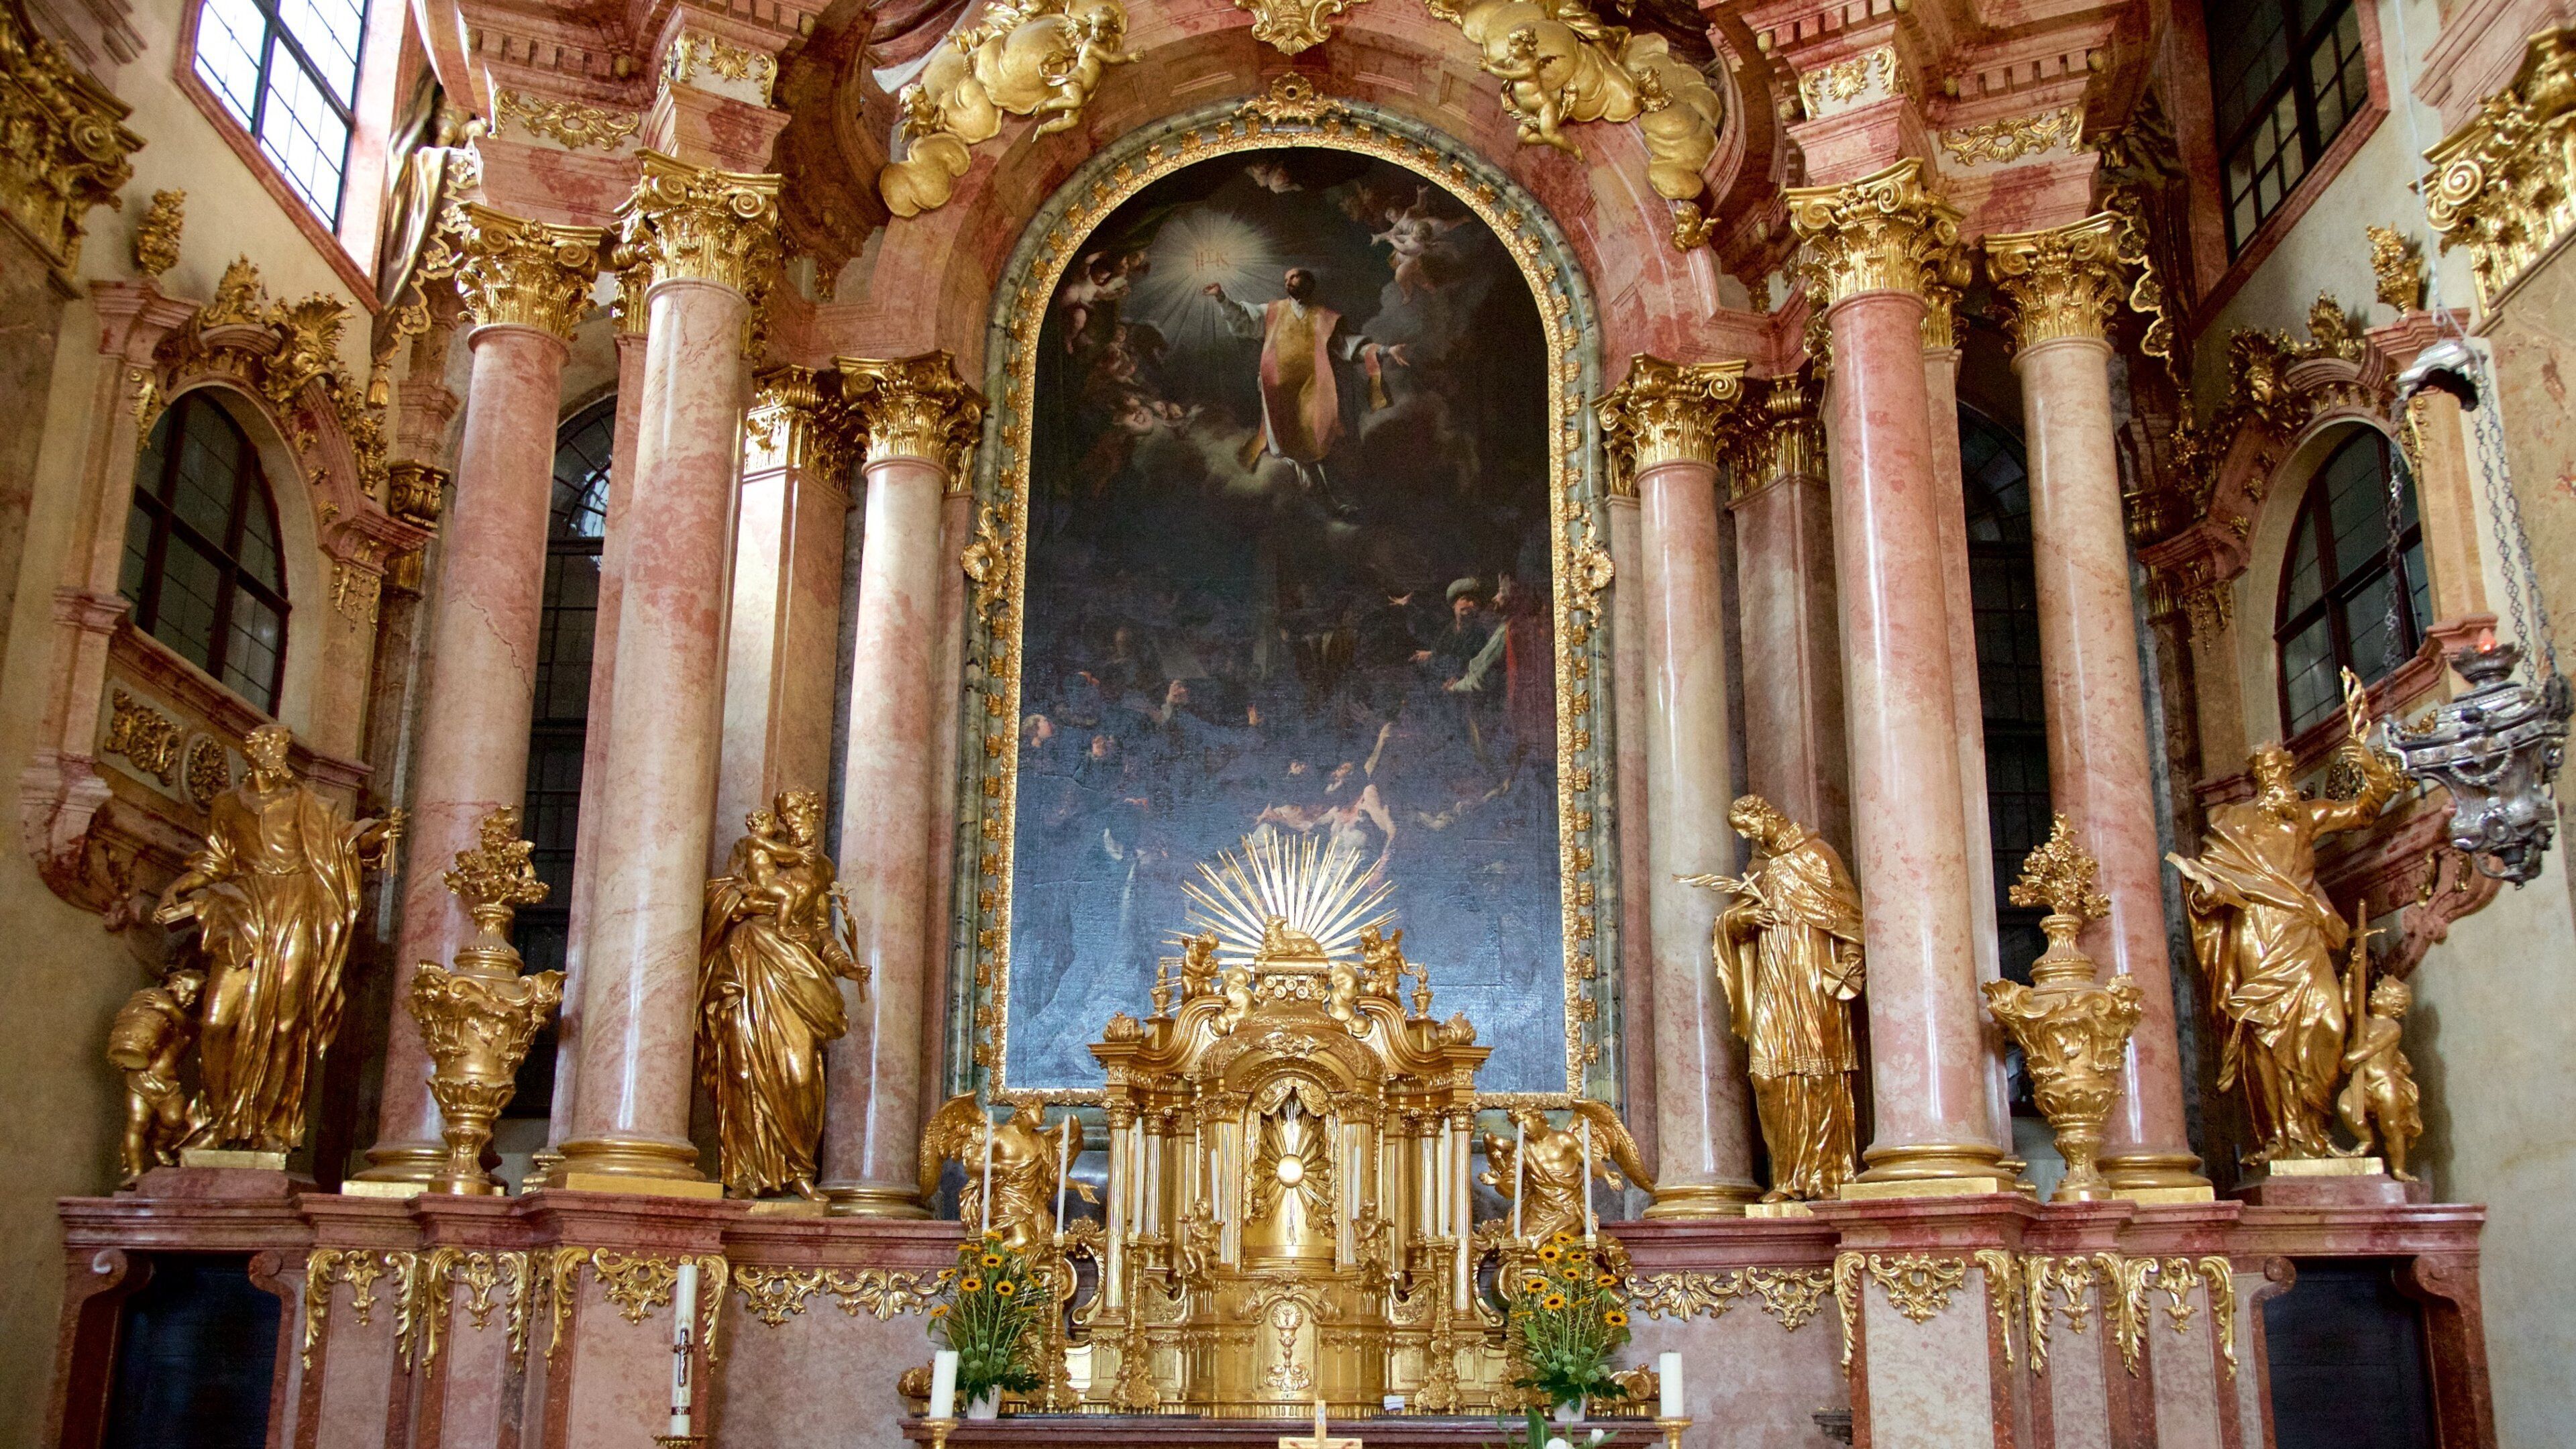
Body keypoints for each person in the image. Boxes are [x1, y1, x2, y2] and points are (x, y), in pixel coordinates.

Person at [152, 724, 400, 1153]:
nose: (275, 755)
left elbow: (340, 842)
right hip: (244, 909)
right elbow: (217, 859)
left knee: (287, 1024)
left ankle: (272, 1125)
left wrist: (373, 838)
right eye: (267, 747)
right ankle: (218, 1116)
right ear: (251, 754)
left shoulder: (307, 803)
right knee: (216, 1021)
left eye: (280, 748)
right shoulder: (228, 805)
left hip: (297, 907)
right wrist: (182, 885)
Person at [2170, 727, 2401, 1165]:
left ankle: (2313, 1131)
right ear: (2256, 775)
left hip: (2303, 928)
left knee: (2330, 1020)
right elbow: (2208, 883)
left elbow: (2364, 813)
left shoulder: (2307, 815)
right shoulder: (2233, 822)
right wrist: (2209, 895)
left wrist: (2374, 774)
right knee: (2264, 1030)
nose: (2275, 773)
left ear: (2291, 770)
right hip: (2256, 929)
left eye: (2281, 766)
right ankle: (2279, 1137)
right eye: (2266, 767)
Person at [1690, 794, 1867, 1201]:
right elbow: (1730, 923)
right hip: (1773, 976)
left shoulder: (1817, 855)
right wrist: (1742, 918)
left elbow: (1848, 917)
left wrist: (1851, 961)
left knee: (1819, 1074)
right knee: (1767, 1075)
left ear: (1765, 817)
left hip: (1813, 979)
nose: (1747, 837)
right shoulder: (1758, 870)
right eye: (1741, 833)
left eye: (1749, 828)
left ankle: (1825, 1177)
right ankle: (1787, 1175)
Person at [698, 790, 866, 1200]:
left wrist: (843, 964)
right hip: (749, 961)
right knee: (742, 1069)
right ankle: (743, 1176)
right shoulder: (754, 849)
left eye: (803, 811)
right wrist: (750, 904)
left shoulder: (822, 868)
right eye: (788, 813)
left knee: (800, 1073)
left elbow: (823, 929)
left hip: (798, 972)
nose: (796, 820)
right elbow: (720, 896)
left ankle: (799, 1170)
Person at [1203, 268, 1407, 515]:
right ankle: (1312, 505)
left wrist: (1386, 350)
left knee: (1318, 446)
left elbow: (1348, 346)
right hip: (1278, 394)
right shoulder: (1273, 311)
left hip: (1314, 392)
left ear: (1308, 283)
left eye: (1294, 277)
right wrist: (1222, 298)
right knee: (1291, 451)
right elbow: (1243, 320)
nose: (1289, 281)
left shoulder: (1324, 317)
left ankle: (1331, 502)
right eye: (1286, 279)